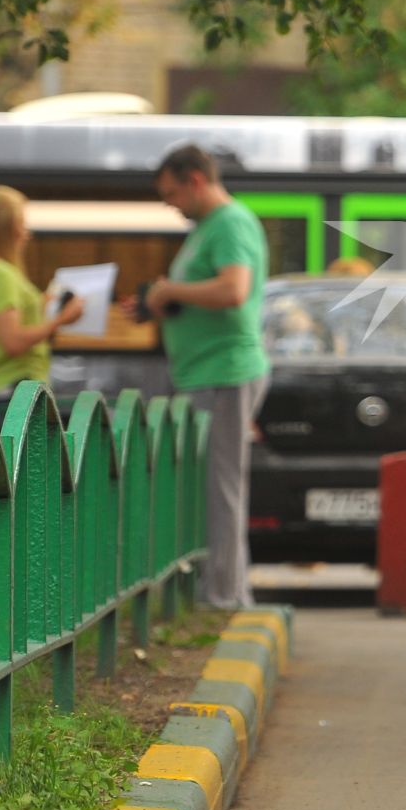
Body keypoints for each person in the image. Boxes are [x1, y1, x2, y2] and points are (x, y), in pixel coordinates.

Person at [124, 144, 271, 610]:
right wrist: (162, 303)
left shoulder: (229, 223)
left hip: (225, 371)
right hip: (204, 372)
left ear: (195, 180)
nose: (171, 205)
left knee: (221, 487)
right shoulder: (208, 228)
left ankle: (226, 596)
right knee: (207, 486)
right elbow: (208, 292)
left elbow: (233, 289)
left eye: (172, 194)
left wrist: (168, 289)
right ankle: (218, 589)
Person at [0, 185, 84, 398]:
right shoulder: (0, 273)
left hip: (13, 386)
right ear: (7, 228)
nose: (26, 234)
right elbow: (13, 341)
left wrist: (41, 304)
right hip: (15, 388)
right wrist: (60, 321)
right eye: (21, 223)